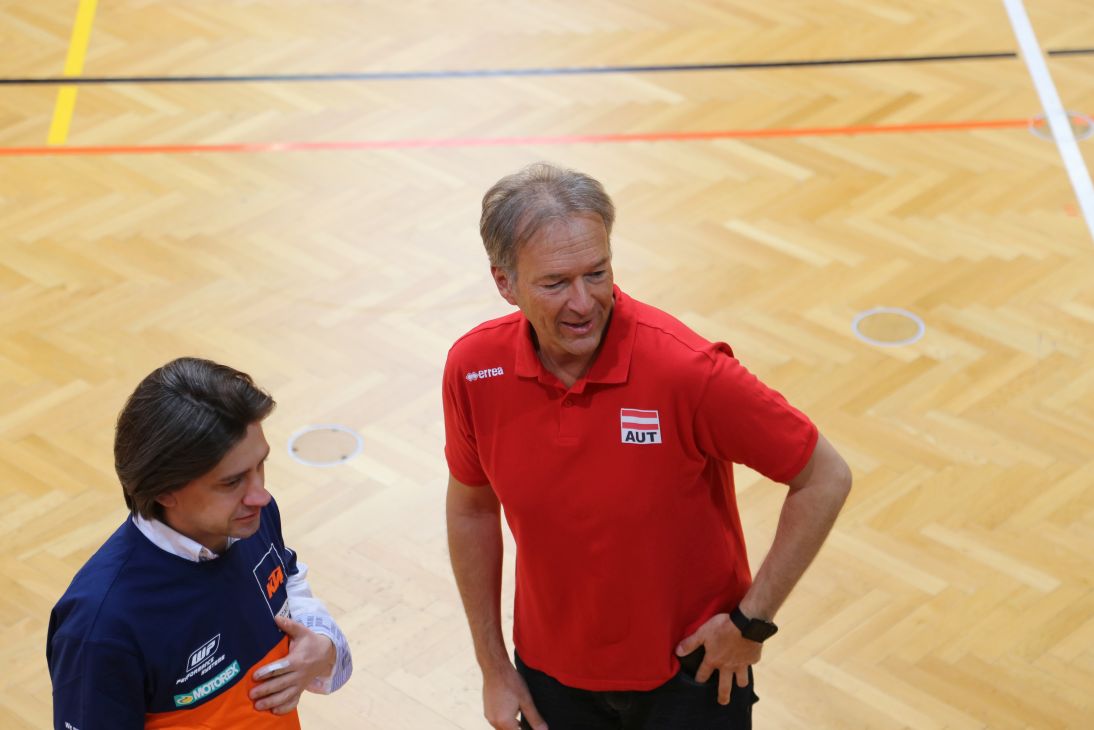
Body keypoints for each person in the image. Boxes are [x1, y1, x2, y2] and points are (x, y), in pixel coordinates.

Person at [443, 163, 852, 729]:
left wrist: (751, 623)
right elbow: (470, 509)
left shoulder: (687, 370)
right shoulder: (473, 370)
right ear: (504, 283)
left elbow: (825, 476)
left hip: (694, 679)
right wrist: (493, 667)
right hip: (549, 682)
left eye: (597, 273)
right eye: (555, 283)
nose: (583, 303)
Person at [47, 357, 352, 729]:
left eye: (260, 465)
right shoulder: (101, 629)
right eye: (232, 482)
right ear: (163, 490)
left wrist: (320, 642)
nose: (260, 494)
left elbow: (288, 582)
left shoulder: (251, 520)